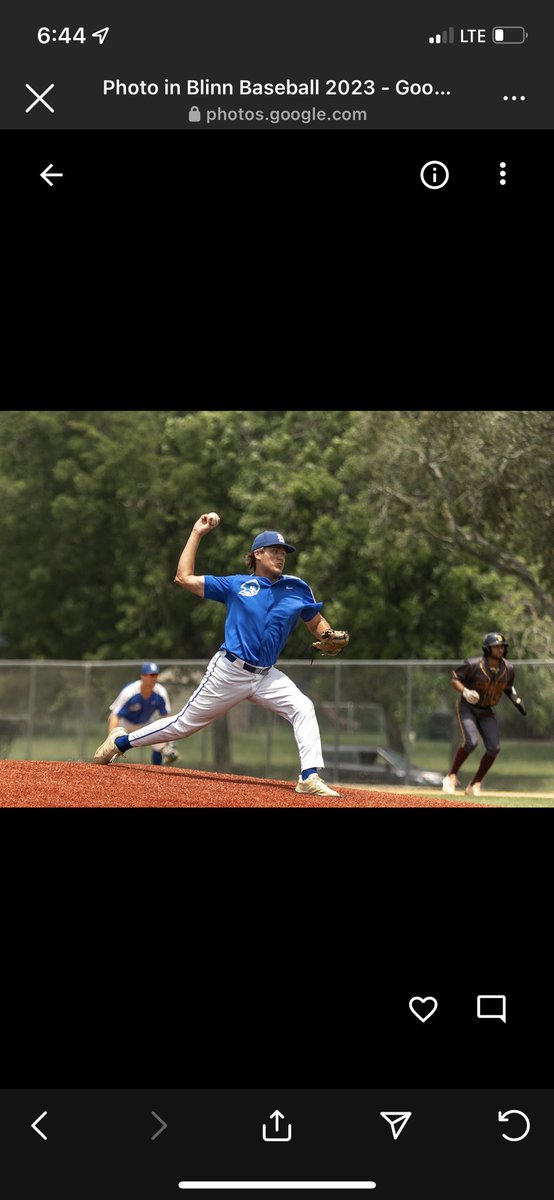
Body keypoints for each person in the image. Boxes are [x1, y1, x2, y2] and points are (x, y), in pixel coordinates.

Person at [94, 515, 349, 797]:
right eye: (275, 551)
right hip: (230, 671)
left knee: (303, 707)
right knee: (183, 725)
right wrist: (197, 533)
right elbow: (183, 578)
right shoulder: (236, 585)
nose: (281, 556)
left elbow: (315, 622)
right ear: (258, 554)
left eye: (283, 552)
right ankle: (121, 742)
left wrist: (327, 635)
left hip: (266, 675)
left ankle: (309, 776)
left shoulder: (297, 587)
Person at [442, 632, 526, 797]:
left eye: (502, 646)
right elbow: (454, 679)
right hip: (468, 707)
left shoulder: (508, 668)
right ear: (488, 649)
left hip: (486, 710)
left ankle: (474, 784)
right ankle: (451, 776)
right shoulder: (474, 664)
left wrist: (517, 700)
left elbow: (508, 687)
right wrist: (465, 691)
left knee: (494, 748)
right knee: (471, 742)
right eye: (496, 646)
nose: (500, 649)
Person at [105, 661, 179, 766]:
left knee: (159, 736)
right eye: (151, 675)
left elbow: (165, 717)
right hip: (125, 722)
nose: (154, 678)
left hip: (144, 723)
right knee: (114, 744)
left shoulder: (160, 692)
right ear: (142, 676)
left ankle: (157, 769)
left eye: (156, 675)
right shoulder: (130, 692)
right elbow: (115, 716)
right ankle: (107, 766)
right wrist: (111, 737)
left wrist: (170, 741)